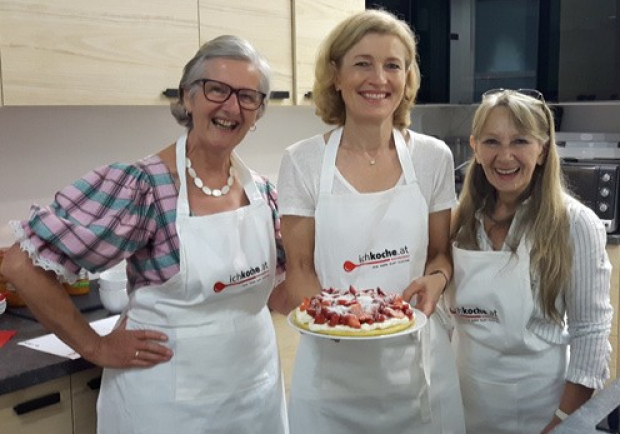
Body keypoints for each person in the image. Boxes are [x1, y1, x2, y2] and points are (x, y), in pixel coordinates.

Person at [0, 35, 290, 434]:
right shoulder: (143, 187)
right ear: (188, 97)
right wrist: (94, 346)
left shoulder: (263, 193)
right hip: (167, 407)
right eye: (216, 89)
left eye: (247, 96)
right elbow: (20, 264)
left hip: (256, 395)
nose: (231, 106)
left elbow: (278, 296)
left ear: (258, 113)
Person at [277, 9, 466, 434]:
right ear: (336, 75)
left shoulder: (432, 157)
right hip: (333, 373)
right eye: (362, 63)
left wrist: (437, 279)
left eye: (392, 65)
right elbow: (300, 270)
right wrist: (337, 325)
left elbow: (440, 255)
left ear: (407, 78)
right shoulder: (302, 162)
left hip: (417, 370)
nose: (378, 78)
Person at [447, 89, 613, 434]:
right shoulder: (460, 221)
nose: (505, 156)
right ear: (475, 148)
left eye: (520, 141)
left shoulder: (575, 224)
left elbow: (591, 333)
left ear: (543, 150)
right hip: (463, 407)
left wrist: (563, 421)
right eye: (492, 141)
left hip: (542, 412)